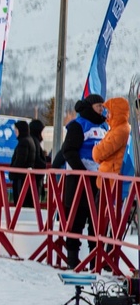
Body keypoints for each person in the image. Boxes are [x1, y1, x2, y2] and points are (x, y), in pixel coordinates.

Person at [56, 94, 108, 268]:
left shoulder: (104, 126)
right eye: (98, 106)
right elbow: (68, 150)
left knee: (97, 222)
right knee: (76, 219)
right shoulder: (78, 125)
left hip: (99, 180)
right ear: (90, 106)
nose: (101, 109)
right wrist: (81, 171)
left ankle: (95, 261)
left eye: (103, 106)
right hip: (78, 180)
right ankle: (72, 260)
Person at [93, 97, 130, 175]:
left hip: (111, 179)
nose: (107, 115)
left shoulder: (119, 131)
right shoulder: (122, 128)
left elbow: (98, 154)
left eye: (109, 112)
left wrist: (96, 149)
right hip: (113, 177)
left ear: (116, 113)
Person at [8, 120, 37, 207]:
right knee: (25, 202)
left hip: (20, 178)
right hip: (25, 176)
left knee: (20, 201)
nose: (15, 132)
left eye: (16, 130)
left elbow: (20, 160)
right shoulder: (29, 140)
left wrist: (12, 173)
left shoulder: (23, 142)